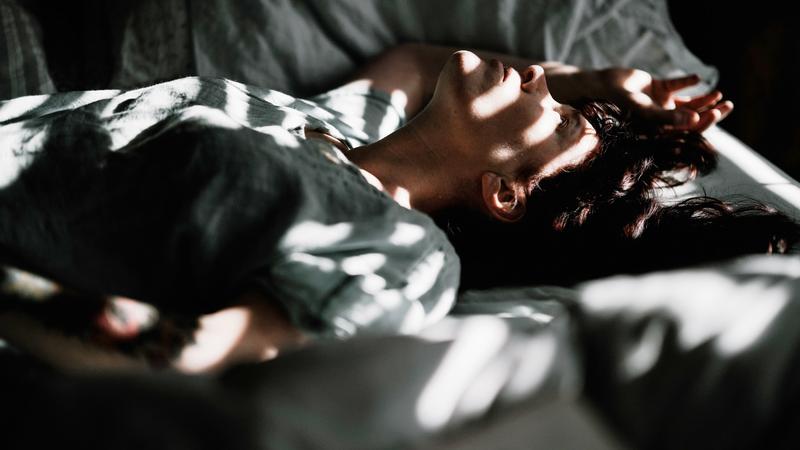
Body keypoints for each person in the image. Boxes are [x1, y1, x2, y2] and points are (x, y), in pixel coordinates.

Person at [0, 43, 793, 373]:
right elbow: (415, 62)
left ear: (506, 191)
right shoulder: (345, 123)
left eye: (554, 117)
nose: (537, 78)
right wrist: (595, 84)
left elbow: (201, 353)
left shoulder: (404, 253)